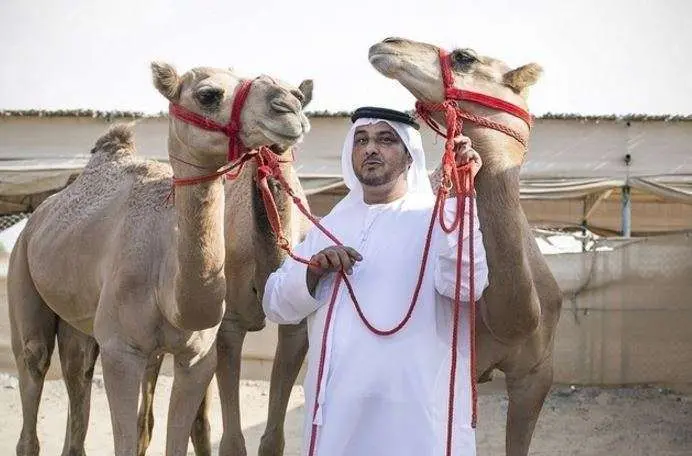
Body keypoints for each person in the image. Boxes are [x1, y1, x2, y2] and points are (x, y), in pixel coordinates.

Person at [262, 106, 489, 456]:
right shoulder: (329, 226)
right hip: (338, 420)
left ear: (410, 155)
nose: (371, 148)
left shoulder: (439, 221)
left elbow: (467, 285)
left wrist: (460, 199)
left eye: (386, 140)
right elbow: (275, 303)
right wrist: (313, 271)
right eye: (361, 140)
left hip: (414, 422)